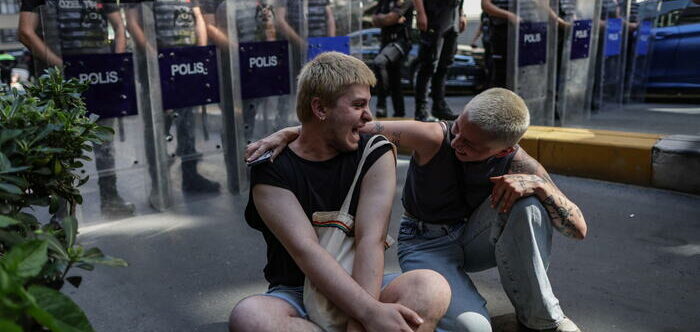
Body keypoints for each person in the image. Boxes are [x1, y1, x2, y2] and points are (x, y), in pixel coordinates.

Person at [247, 88, 587, 332]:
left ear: (505, 149)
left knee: (531, 204)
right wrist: (293, 133)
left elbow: (578, 228)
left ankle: (541, 320)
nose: (457, 143)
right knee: (473, 329)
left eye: (470, 144)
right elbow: (352, 128)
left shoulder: (520, 162)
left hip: (474, 238)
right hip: (426, 242)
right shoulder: (432, 136)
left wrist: (541, 186)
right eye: (458, 129)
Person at [230, 52, 451, 332]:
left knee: (430, 287)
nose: (369, 115)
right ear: (320, 109)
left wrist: (362, 320)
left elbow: (371, 240)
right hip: (297, 291)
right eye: (358, 105)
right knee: (250, 316)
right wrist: (370, 315)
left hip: (364, 281)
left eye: (368, 104)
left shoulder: (375, 152)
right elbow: (306, 252)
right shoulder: (272, 167)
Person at [18, 0, 134, 215]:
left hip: (100, 77)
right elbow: (25, 31)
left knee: (104, 143)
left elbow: (119, 29)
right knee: (60, 148)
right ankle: (62, 214)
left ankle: (110, 199)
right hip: (60, 83)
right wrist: (58, 65)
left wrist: (114, 65)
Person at [120, 0, 220, 201]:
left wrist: (200, 54)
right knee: (158, 126)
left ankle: (190, 176)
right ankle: (158, 185)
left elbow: (197, 18)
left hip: (186, 64)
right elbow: (132, 23)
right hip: (156, 67)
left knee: (187, 124)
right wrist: (155, 57)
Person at [197, 0, 269, 141]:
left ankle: (251, 165)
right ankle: (234, 164)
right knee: (232, 119)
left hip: (256, 62)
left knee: (252, 116)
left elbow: (268, 20)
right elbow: (209, 26)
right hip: (226, 64)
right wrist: (238, 50)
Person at [410, 0, 468, 121]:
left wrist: (461, 12)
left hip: (454, 11)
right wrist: (420, 12)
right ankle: (421, 109)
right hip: (434, 10)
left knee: (445, 63)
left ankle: (439, 105)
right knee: (428, 62)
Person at [481, 0, 531, 89]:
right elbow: (485, 4)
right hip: (502, 32)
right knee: (500, 77)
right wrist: (510, 16)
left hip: (522, 32)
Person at [371, 0, 412, 118]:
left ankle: (381, 105)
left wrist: (387, 18)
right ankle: (399, 114)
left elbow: (390, 18)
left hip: (400, 42)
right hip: (386, 42)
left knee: (379, 62)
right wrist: (386, 19)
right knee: (395, 80)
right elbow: (376, 19)